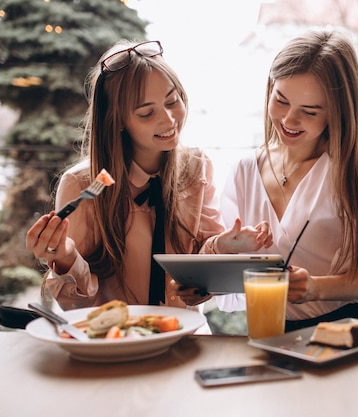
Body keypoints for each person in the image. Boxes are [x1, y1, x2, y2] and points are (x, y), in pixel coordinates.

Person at [26, 40, 272, 311]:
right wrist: (65, 256)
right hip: (114, 340)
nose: (168, 120)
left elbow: (201, 272)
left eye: (172, 101)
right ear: (117, 119)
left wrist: (220, 250)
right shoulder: (83, 184)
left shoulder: (196, 166)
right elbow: (75, 305)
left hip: (184, 335)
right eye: (146, 113)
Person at [217, 28, 358, 331]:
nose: (288, 121)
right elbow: (230, 283)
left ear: (336, 113)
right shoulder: (245, 171)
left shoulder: (346, 172)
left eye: (309, 112)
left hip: (343, 332)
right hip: (268, 331)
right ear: (270, 89)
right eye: (281, 101)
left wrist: (314, 287)